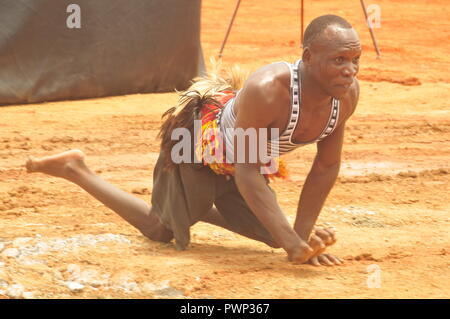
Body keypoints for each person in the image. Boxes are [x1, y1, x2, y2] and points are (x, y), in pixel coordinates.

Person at [26, 15, 361, 266]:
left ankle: (193, 207)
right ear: (307, 57)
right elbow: (247, 173)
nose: (350, 70)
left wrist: (299, 237)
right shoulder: (269, 91)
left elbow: (326, 165)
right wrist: (294, 243)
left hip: (243, 158)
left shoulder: (345, 97)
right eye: (339, 60)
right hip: (197, 145)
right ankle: (75, 168)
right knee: (160, 230)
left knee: (275, 238)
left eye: (354, 60)